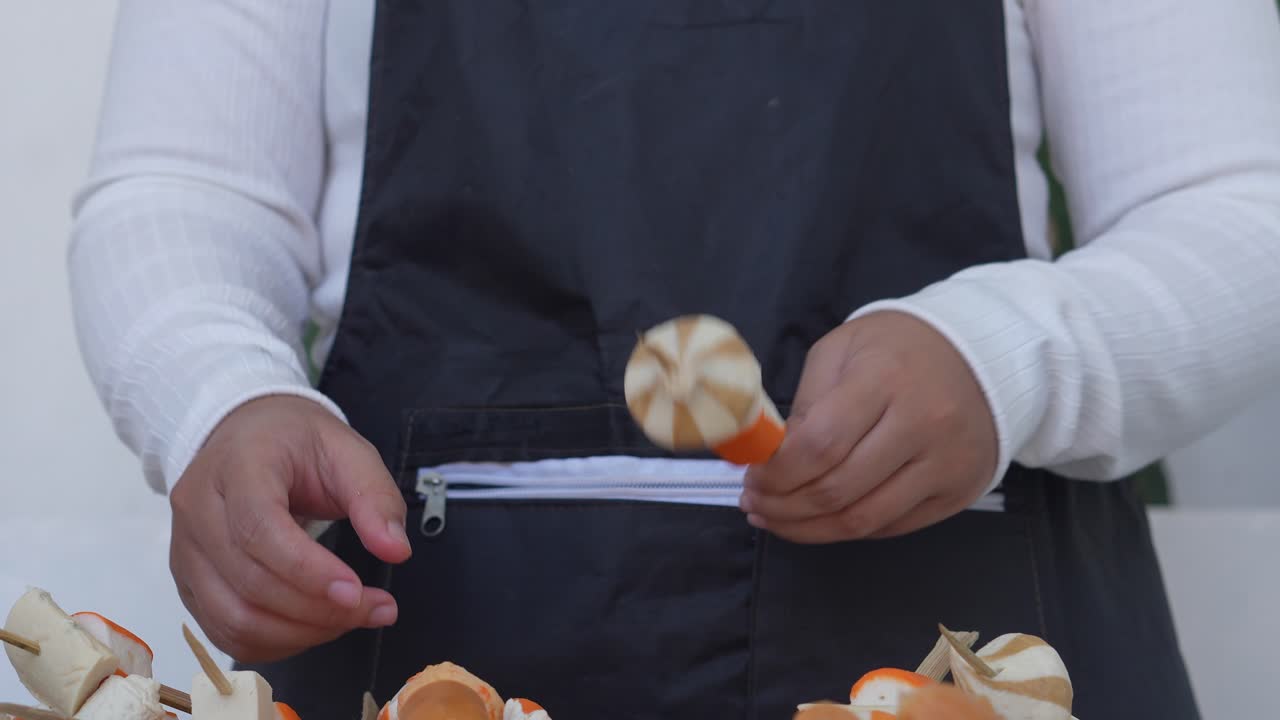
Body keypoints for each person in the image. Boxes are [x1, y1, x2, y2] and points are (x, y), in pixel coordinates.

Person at [67, 0, 1280, 718]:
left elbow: (1238, 212)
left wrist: (1007, 356)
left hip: (966, 639)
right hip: (425, 645)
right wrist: (216, 400)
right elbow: (182, 192)